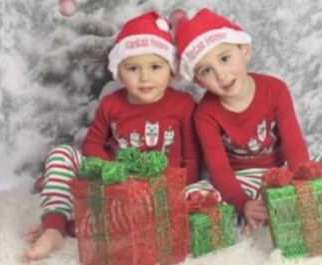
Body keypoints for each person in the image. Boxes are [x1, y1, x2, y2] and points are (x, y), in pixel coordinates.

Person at [22, 11, 201, 261]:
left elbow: (192, 158)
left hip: (158, 192)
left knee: (149, 224)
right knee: (62, 154)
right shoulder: (112, 103)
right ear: (119, 72)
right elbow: (93, 143)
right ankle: (55, 226)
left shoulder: (183, 105)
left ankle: (90, 225)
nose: (145, 77)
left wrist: (175, 192)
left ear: (171, 70)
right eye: (133, 68)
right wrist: (111, 172)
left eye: (156, 66)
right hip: (114, 185)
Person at [173, 8, 322, 234]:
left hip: (285, 172)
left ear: (244, 51)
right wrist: (243, 203)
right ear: (198, 81)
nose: (221, 75)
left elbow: (293, 143)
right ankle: (262, 212)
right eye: (207, 71)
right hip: (244, 181)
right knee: (191, 194)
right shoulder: (205, 113)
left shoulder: (275, 89)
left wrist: (304, 184)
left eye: (224, 59)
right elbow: (219, 170)